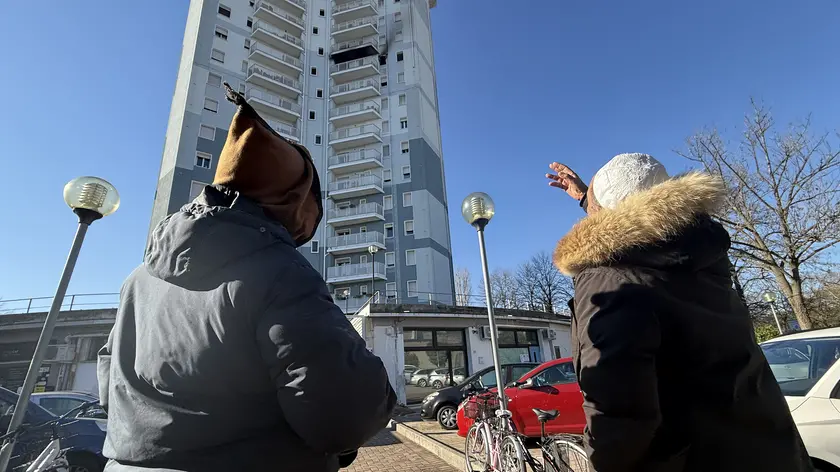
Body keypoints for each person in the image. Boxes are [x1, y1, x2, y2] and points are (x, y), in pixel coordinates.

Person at [97, 84, 396, 472]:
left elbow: (110, 381)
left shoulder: (137, 280)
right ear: (292, 199)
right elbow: (343, 414)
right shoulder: (279, 272)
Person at [546, 154, 813, 472]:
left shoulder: (610, 278)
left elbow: (619, 417)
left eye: (592, 204)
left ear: (602, 209)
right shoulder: (700, 260)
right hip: (767, 450)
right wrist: (587, 196)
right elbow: (636, 226)